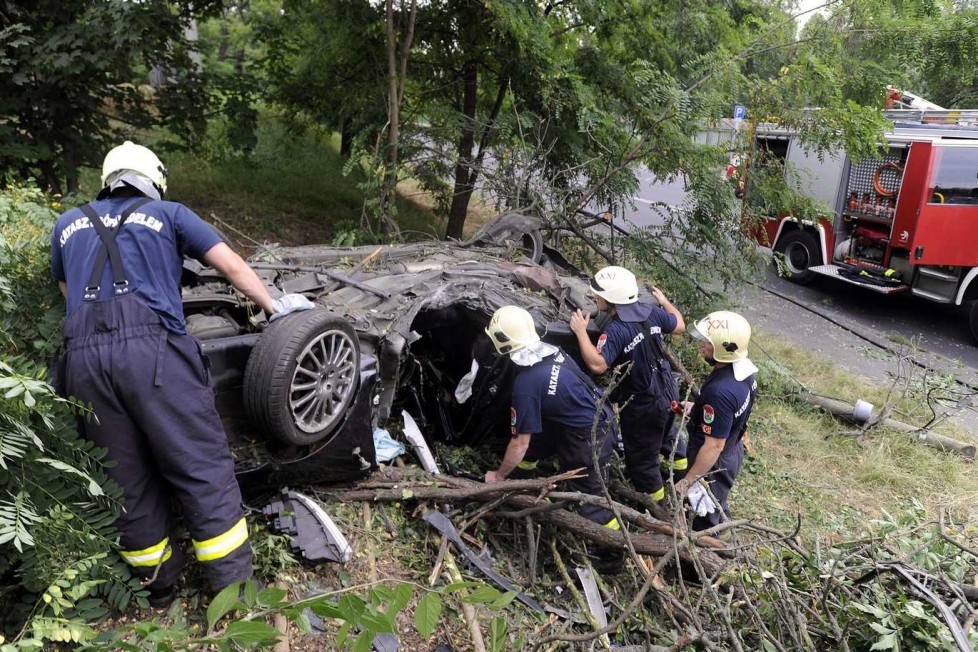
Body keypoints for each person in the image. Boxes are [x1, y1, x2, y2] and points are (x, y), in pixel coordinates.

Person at [50, 141, 313, 604]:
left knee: (124, 479)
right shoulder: (169, 214)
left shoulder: (67, 223)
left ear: (107, 178)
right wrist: (275, 307)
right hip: (153, 356)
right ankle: (232, 591)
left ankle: (158, 588)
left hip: (83, 363)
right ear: (153, 180)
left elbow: (68, 289)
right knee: (200, 466)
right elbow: (230, 264)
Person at [483, 306, 619, 534]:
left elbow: (519, 443)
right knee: (537, 442)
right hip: (592, 418)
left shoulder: (526, 385)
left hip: (589, 439)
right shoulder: (553, 352)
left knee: (589, 497)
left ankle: (612, 551)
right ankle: (521, 480)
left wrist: (498, 476)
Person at [570, 266, 686, 505]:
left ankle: (658, 508)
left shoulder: (616, 330)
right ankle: (683, 475)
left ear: (612, 299)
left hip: (644, 405)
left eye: (599, 295)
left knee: (642, 461)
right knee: (666, 434)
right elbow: (679, 325)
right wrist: (664, 302)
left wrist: (581, 332)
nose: (596, 297)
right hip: (668, 390)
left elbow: (598, 365)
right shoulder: (651, 311)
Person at [676, 311, 758, 531]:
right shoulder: (743, 370)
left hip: (715, 460)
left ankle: (710, 555)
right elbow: (732, 413)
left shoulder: (720, 392)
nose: (702, 344)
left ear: (725, 348)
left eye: (708, 342)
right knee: (716, 502)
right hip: (731, 448)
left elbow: (714, 445)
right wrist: (698, 411)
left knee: (705, 516)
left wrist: (688, 481)